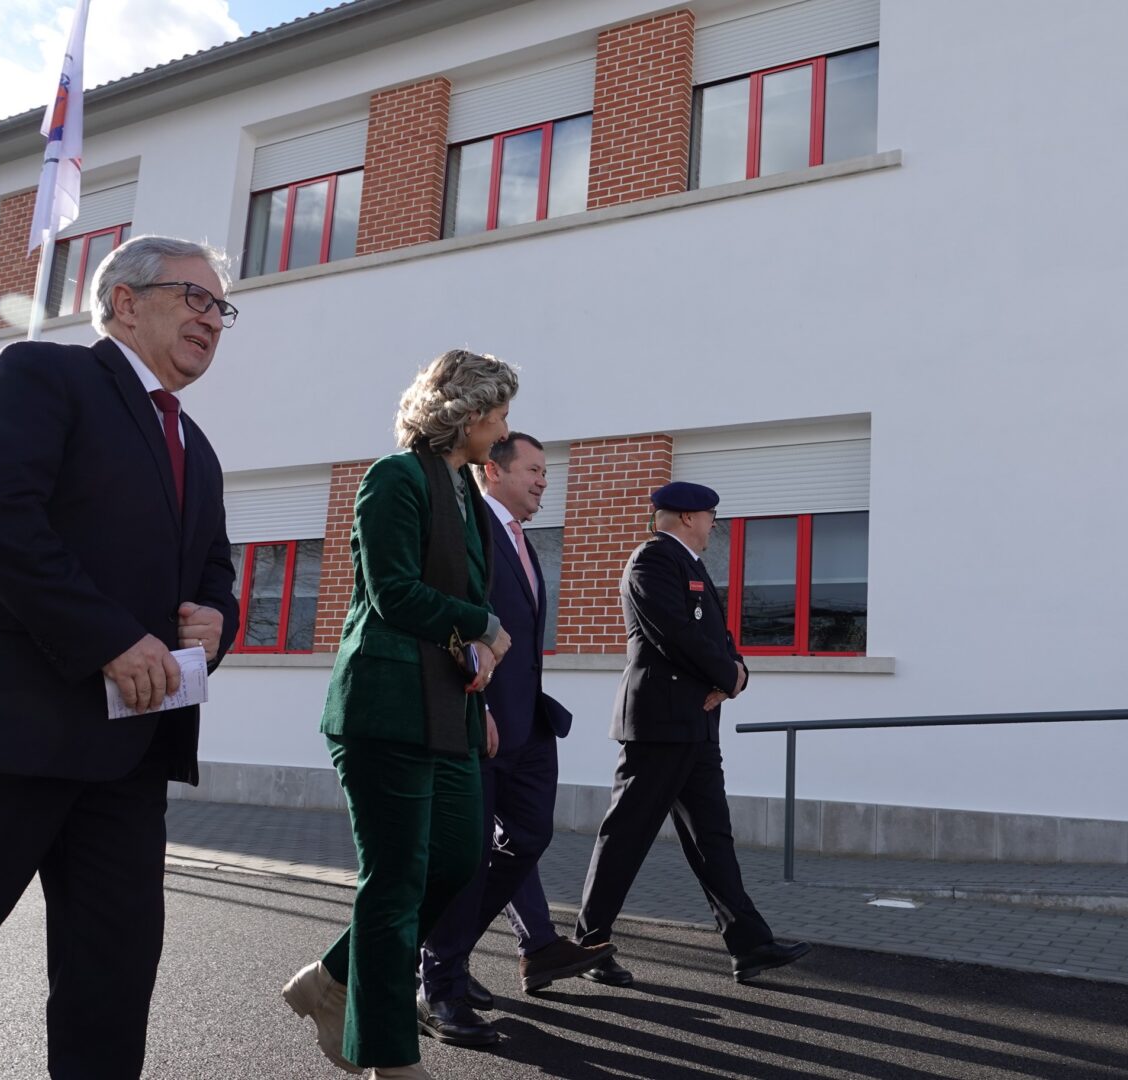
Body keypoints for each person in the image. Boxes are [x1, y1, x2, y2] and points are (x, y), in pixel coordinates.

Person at [0, 235, 241, 1078]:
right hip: (1, 736)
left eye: (222, 308)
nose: (213, 320)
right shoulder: (42, 375)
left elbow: (214, 572)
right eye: (195, 298)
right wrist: (107, 639)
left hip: (128, 753)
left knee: (112, 978)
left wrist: (217, 623)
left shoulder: (197, 447)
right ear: (125, 302)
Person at [282, 349, 517, 1080]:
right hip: (384, 706)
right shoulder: (394, 478)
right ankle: (389, 1060)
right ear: (466, 415)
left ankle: (332, 979)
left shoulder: (465, 490)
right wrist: (484, 624)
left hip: (447, 706)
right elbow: (392, 593)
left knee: (456, 859)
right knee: (395, 883)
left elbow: (452, 606)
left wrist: (479, 684)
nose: (505, 429)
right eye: (498, 414)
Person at [417, 432, 614, 1045]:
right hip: (481, 721)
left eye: (546, 472)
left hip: (528, 724)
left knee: (529, 835)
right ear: (494, 472)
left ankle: (445, 955)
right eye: (533, 469)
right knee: (468, 856)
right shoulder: (470, 528)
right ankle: (440, 986)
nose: (543, 481)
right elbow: (452, 616)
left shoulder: (523, 539)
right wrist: (474, 699)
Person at [573, 481, 809, 986]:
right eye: (709, 516)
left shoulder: (691, 564)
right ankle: (589, 945)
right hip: (659, 725)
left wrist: (737, 674)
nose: (713, 525)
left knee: (712, 837)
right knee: (626, 836)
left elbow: (717, 636)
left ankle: (749, 944)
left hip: (696, 723)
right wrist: (726, 674)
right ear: (686, 517)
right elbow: (675, 635)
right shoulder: (652, 560)